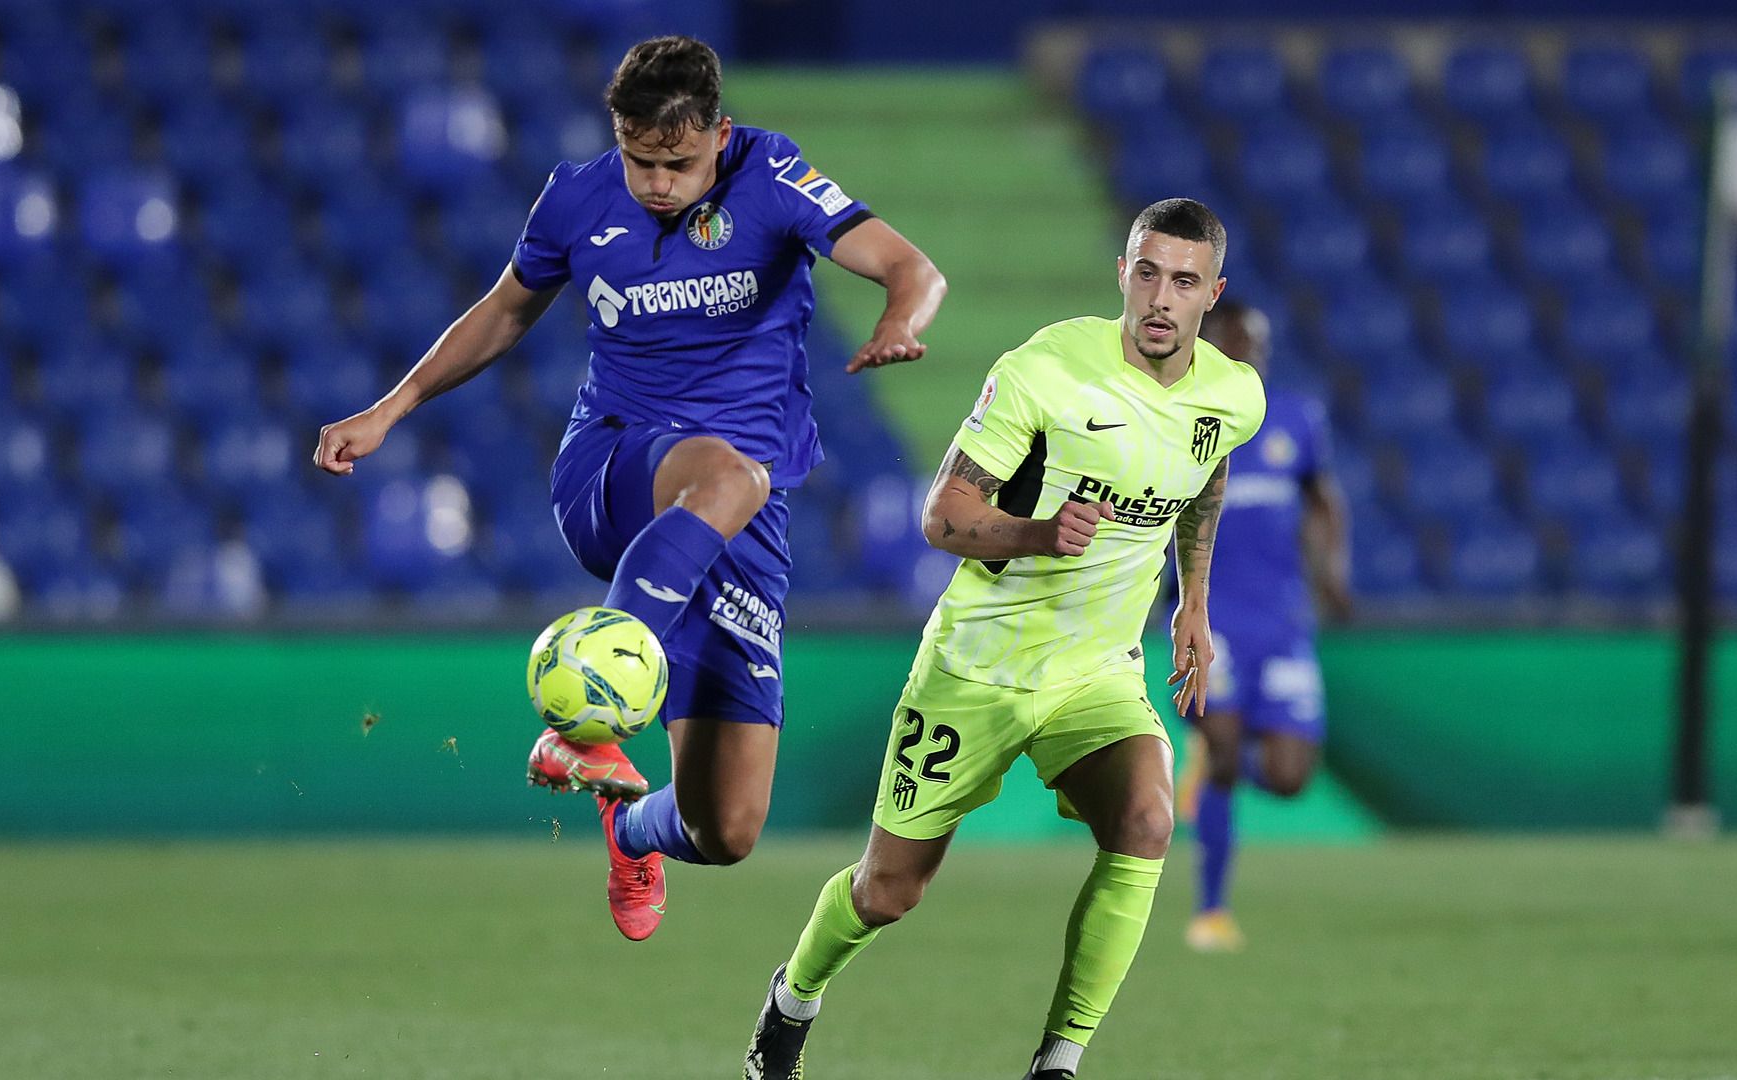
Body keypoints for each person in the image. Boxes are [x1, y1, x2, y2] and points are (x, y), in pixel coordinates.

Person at [311, 35, 945, 942]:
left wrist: (899, 320)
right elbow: (503, 310)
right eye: (639, 159)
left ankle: (630, 827)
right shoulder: (576, 196)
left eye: (678, 163)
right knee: (730, 470)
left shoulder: (773, 175)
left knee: (724, 828)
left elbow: (915, 269)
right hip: (614, 468)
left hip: (738, 525)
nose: (656, 182)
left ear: (719, 136)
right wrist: (391, 408)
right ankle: (592, 706)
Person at [741, 198, 1265, 1080]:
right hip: (978, 665)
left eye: (1183, 281)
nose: (1160, 300)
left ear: (1214, 292)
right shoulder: (1047, 370)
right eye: (1146, 273)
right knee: (888, 891)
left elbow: (1204, 471)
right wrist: (1038, 531)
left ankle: (1058, 1062)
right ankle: (792, 999)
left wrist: (1194, 601)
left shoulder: (1231, 394)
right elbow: (941, 518)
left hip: (1096, 669)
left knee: (1145, 818)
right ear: (1123, 275)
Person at [1176, 301, 1352, 953]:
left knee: (1288, 777)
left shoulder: (1297, 419)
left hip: (1281, 620)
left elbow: (1323, 499)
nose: (1246, 350)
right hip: (1210, 616)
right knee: (1222, 746)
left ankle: (1211, 772)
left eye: (1256, 341)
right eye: (1233, 339)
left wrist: (1332, 572)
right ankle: (1212, 910)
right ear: (1210, 344)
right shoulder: (1183, 417)